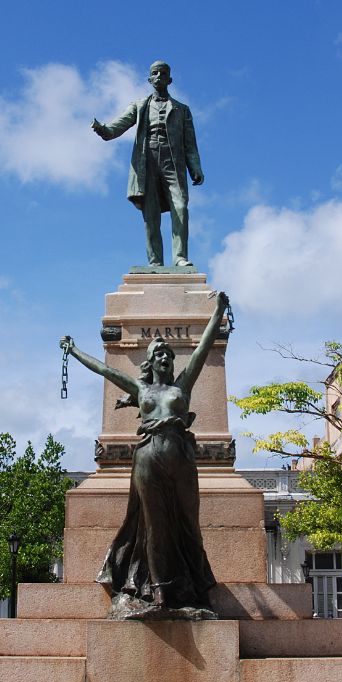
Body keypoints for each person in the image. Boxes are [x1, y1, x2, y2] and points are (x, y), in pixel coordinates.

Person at [60, 290, 228, 618]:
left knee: (188, 525)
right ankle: (161, 594)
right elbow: (106, 372)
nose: (166, 358)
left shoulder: (183, 386)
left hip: (181, 458)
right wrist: (74, 350)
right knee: (153, 526)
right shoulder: (142, 390)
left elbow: (204, 347)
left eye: (169, 354)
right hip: (149, 458)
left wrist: (219, 310)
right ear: (150, 363)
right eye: (159, 355)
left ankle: (194, 586)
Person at [91, 60, 204, 268]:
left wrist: (195, 167)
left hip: (173, 162)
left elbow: (190, 143)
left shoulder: (182, 110)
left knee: (180, 207)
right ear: (149, 79)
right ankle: (155, 262)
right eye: (155, 73)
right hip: (147, 161)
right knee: (150, 214)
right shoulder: (140, 105)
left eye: (163, 73)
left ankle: (179, 257)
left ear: (169, 79)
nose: (159, 76)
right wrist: (104, 130)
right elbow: (119, 125)